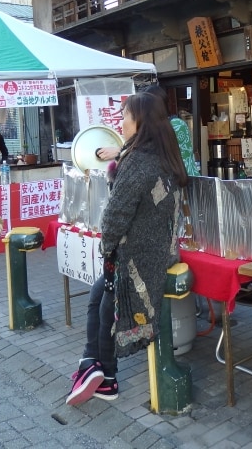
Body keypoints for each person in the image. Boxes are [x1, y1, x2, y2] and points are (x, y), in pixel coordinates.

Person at [66, 92, 188, 406]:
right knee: (98, 297)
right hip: (159, 247)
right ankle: (90, 365)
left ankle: (104, 375)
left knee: (108, 304)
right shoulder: (161, 153)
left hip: (140, 255)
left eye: (125, 116)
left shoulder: (138, 161)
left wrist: (108, 251)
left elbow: (115, 215)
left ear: (141, 121)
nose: (121, 122)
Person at [96, 84, 199, 176]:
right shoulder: (157, 126)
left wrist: (120, 151)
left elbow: (153, 151)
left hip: (188, 179)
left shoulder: (176, 124)